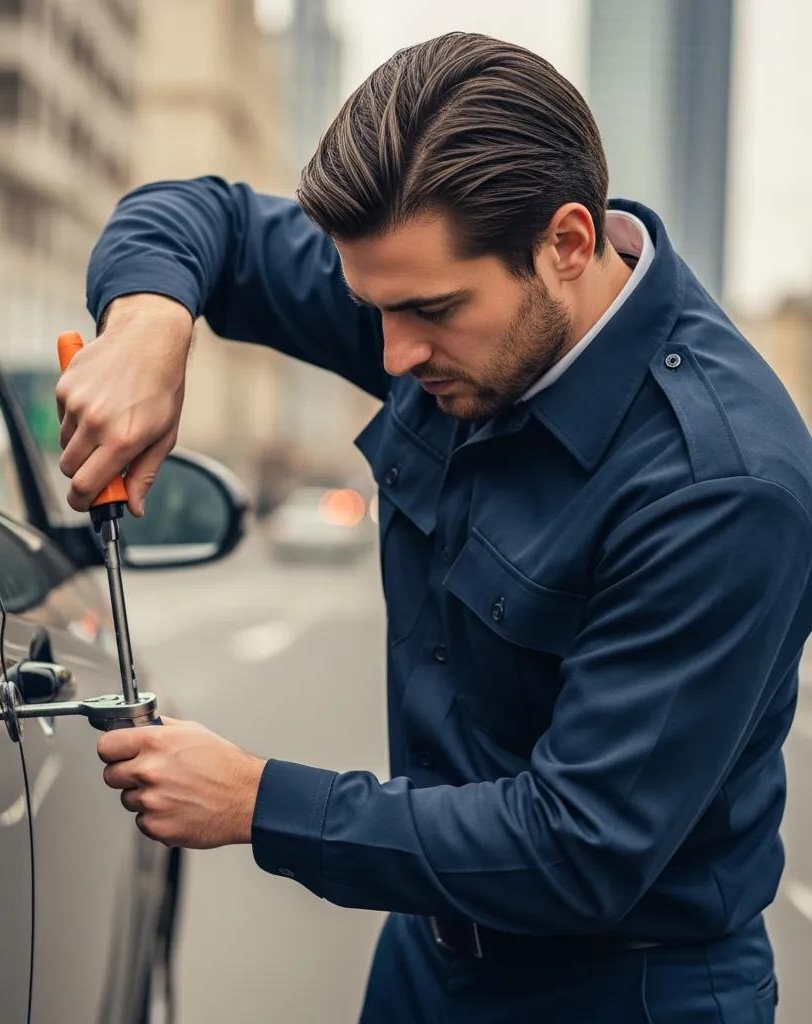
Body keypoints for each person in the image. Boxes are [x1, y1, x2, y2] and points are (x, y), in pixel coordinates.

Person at [56, 32, 812, 1022]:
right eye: (373, 307)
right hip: (423, 956)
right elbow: (204, 218)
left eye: (427, 312)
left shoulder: (717, 484)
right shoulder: (430, 281)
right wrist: (148, 324)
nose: (393, 351)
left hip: (624, 988)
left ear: (567, 244)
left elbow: (579, 846)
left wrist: (256, 801)